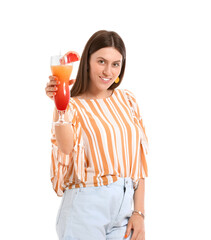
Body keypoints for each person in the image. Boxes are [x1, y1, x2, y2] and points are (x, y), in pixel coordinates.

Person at [45, 30, 149, 240]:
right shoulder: (72, 105)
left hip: (124, 209)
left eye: (115, 64)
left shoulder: (127, 100)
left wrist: (139, 212)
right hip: (85, 208)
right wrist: (60, 104)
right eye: (101, 61)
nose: (108, 71)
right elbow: (65, 148)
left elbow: (139, 159)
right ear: (87, 62)